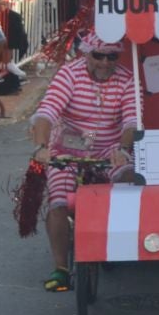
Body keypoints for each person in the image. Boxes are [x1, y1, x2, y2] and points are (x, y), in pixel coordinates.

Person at [28, 32, 138, 294]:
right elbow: (47, 112)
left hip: (110, 150)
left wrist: (123, 148)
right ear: (86, 53)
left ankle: (114, 243)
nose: (105, 62)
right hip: (68, 150)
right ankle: (61, 268)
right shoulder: (69, 74)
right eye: (99, 56)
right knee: (58, 203)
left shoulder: (127, 80)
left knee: (127, 181)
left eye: (112, 56)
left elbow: (132, 121)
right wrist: (42, 148)